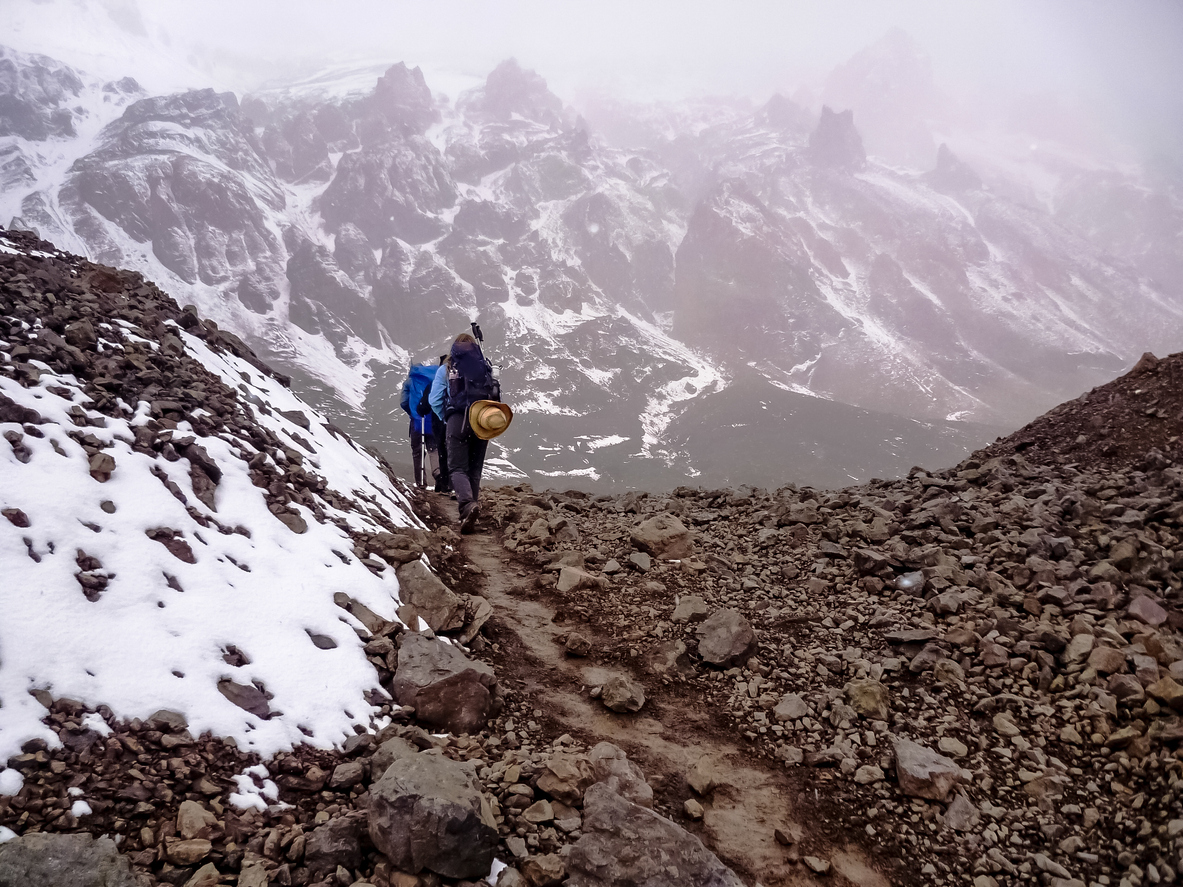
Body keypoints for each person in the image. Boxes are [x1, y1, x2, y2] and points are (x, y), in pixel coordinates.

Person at [441, 332, 498, 532]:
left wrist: (445, 418)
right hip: (482, 420)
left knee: (457, 468)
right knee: (474, 470)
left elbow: (437, 397)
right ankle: (471, 512)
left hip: (458, 419)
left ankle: (467, 507)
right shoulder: (485, 366)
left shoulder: (449, 366)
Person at [399, 362, 439, 489]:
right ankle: (438, 475)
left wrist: (412, 412)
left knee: (418, 452)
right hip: (432, 420)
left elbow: (404, 402)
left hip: (417, 421)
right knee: (434, 450)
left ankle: (421, 483)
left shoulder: (409, 382)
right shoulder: (433, 379)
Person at [424, 355, 451, 493]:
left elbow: (428, 403)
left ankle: (443, 484)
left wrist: (441, 415)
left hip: (439, 422)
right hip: (460, 420)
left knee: (441, 451)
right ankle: (457, 486)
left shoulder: (436, 381)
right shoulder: (464, 376)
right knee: (455, 452)